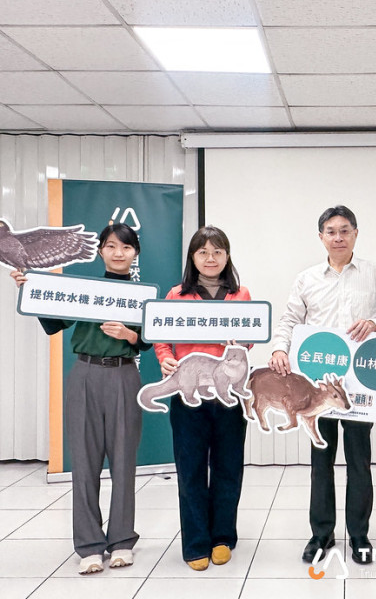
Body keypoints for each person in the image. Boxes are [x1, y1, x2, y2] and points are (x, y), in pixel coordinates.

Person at [268, 205, 376, 565]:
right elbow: (289, 319)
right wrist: (280, 348)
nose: (338, 237)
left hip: (360, 383)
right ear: (321, 237)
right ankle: (322, 534)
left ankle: (359, 535)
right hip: (317, 385)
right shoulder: (307, 279)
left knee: (359, 461)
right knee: (321, 460)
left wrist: (375, 324)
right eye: (331, 231)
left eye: (345, 230)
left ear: (356, 234)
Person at [10, 223, 150, 575]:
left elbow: (149, 340)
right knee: (84, 464)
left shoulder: (143, 294)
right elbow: (53, 323)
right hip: (85, 374)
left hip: (123, 375)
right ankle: (89, 546)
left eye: (126, 247)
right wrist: (30, 291)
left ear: (135, 253)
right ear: (100, 250)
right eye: (111, 246)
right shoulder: (82, 290)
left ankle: (122, 541)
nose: (118, 253)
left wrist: (129, 335)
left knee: (124, 463)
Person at [153, 227, 250, 571]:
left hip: (228, 394)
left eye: (218, 251)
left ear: (227, 256)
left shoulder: (240, 294)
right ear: (192, 258)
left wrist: (242, 341)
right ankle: (195, 542)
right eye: (203, 252)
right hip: (188, 393)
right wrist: (165, 357)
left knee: (228, 468)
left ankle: (222, 537)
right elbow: (161, 336)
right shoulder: (177, 295)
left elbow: (249, 339)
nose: (211, 258)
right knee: (191, 468)